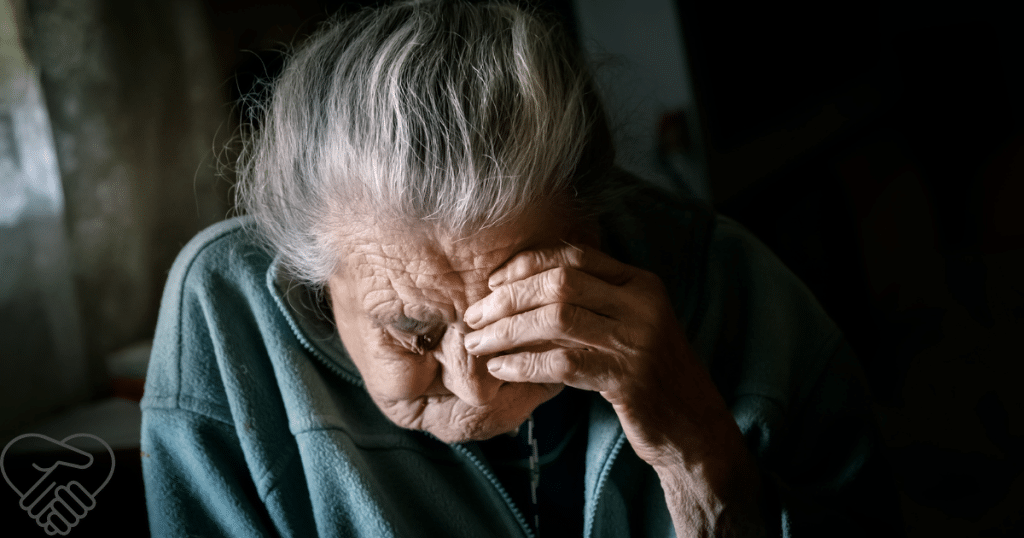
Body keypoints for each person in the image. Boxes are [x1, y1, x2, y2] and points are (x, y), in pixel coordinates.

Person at [140, 1, 902, 536]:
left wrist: (698, 452)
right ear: (312, 273)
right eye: (412, 334)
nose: (475, 387)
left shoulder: (733, 284)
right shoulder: (225, 310)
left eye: (516, 315)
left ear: (599, 221)